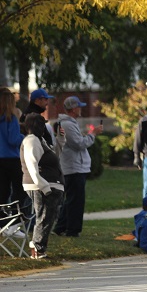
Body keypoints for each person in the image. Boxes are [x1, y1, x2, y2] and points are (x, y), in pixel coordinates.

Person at [53, 96, 101, 237]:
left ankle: (60, 227)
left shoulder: (68, 123)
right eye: (79, 106)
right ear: (73, 109)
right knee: (76, 201)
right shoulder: (67, 125)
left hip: (73, 166)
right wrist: (93, 134)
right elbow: (79, 144)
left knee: (71, 199)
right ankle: (73, 230)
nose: (81, 109)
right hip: (74, 167)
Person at [20, 113, 64, 259]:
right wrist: (45, 187)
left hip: (47, 185)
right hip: (40, 186)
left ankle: (38, 247)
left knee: (47, 217)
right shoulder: (32, 140)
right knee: (44, 217)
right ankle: (38, 249)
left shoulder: (40, 140)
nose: (43, 127)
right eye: (41, 124)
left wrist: (60, 139)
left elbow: (54, 158)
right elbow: (32, 166)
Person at [0, 88, 25, 221]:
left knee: (3, 191)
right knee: (19, 191)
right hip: (12, 158)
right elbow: (13, 140)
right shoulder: (11, 119)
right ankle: (15, 219)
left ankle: (2, 220)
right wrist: (24, 136)